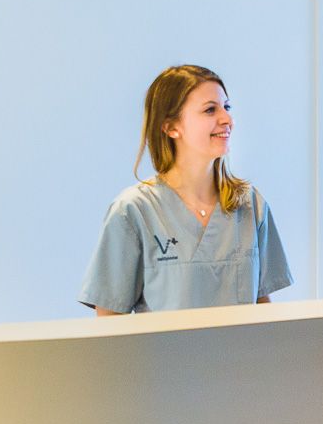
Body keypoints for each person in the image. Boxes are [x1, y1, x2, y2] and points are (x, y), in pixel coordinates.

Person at [80, 65, 291, 314]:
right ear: (171, 127)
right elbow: (110, 319)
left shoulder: (249, 205)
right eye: (210, 109)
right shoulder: (133, 211)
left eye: (227, 107)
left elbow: (263, 309)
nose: (227, 119)